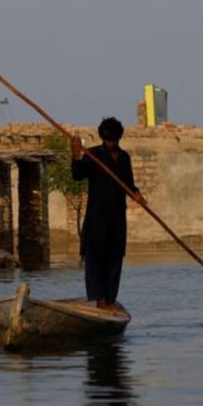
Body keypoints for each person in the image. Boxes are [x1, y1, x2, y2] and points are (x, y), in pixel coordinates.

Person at [71, 117, 145, 311]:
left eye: (113, 140)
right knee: (95, 257)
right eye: (107, 140)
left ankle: (110, 299)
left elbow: (128, 183)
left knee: (115, 255)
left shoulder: (124, 158)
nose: (110, 143)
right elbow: (77, 175)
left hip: (117, 216)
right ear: (103, 138)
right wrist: (75, 153)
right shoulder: (93, 155)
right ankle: (100, 300)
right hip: (97, 215)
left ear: (119, 138)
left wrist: (136, 194)